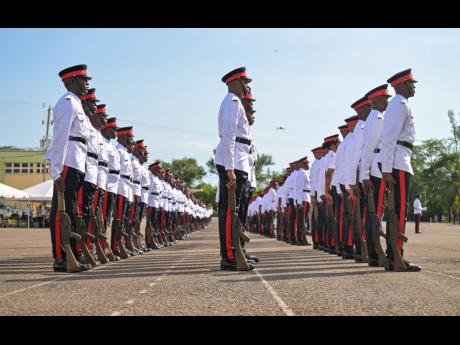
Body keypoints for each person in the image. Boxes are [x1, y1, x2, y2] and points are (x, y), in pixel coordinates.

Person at [45, 64, 93, 273]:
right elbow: (59, 138)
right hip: (67, 162)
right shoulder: (67, 103)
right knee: (60, 212)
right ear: (71, 81)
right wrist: (56, 171)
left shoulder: (76, 104)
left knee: (71, 212)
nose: (87, 84)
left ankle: (72, 253)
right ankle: (60, 257)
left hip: (77, 161)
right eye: (83, 80)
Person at [215, 67, 255, 271]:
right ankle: (230, 256)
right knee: (230, 211)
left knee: (234, 211)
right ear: (236, 82)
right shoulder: (232, 103)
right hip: (233, 162)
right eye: (245, 82)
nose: (247, 86)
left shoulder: (235, 103)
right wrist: (230, 169)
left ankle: (233, 252)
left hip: (238, 160)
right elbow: (230, 136)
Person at [382, 68, 421, 272]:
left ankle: (393, 255)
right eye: (411, 84)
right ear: (403, 85)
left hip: (400, 160)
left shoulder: (400, 105)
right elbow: (389, 138)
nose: (414, 87)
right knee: (399, 211)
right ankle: (397, 256)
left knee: (396, 211)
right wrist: (387, 171)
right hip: (398, 162)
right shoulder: (399, 105)